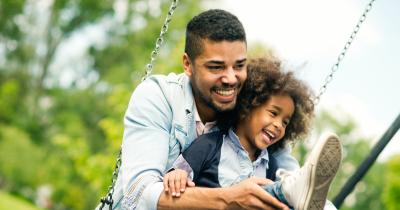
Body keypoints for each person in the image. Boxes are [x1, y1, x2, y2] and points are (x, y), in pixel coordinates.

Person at [101, 9, 338, 210]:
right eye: (216, 67)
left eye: (239, 66)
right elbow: (137, 193)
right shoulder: (158, 96)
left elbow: (298, 184)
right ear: (188, 64)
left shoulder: (250, 109)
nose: (230, 79)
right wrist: (229, 197)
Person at [162, 57, 343, 210]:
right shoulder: (211, 143)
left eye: (285, 122)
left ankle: (297, 193)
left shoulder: (270, 164)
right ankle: (291, 189)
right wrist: (177, 174)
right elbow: (177, 175)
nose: (279, 125)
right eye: (273, 113)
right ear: (247, 106)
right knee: (272, 192)